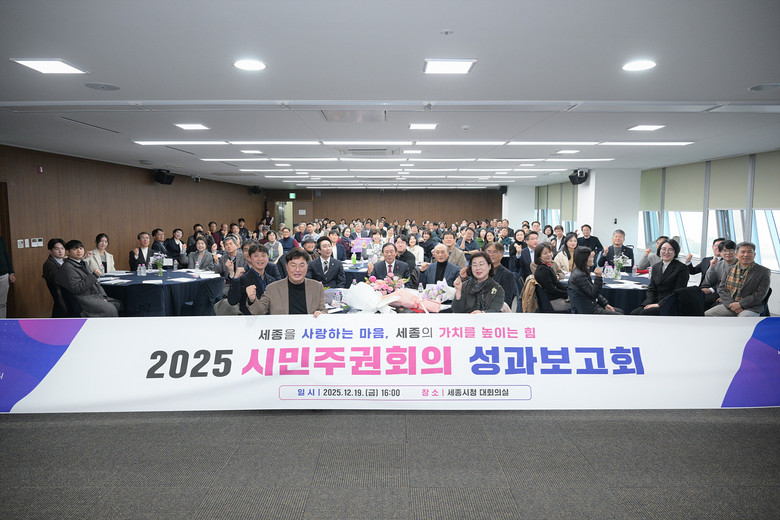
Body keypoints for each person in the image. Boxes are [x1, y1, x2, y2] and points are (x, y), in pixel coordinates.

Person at [248, 247, 326, 316]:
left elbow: (323, 310)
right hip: (282, 327)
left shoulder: (317, 287)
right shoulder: (272, 289)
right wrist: (252, 300)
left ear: (307, 267)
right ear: (286, 267)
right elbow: (259, 312)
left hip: (308, 327)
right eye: (293, 265)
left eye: (302, 265)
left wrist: (322, 314)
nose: (297, 270)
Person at [705, 241, 770, 317]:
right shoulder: (730, 268)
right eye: (743, 252)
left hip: (751, 307)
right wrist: (732, 305)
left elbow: (760, 294)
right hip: (731, 304)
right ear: (736, 255)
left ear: (754, 255)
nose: (746, 255)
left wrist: (740, 304)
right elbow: (721, 289)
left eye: (749, 252)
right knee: (708, 314)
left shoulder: (764, 271)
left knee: (743, 319)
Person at [55, 240, 118, 317]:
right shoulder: (67, 268)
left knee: (120, 302)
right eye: (75, 249)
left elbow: (96, 283)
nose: (79, 251)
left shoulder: (82, 263)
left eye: (81, 248)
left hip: (94, 295)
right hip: (84, 299)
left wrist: (103, 296)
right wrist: (94, 276)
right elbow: (77, 288)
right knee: (111, 309)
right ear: (68, 252)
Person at [631, 239, 690, 315]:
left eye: (670, 250)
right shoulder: (656, 266)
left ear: (675, 252)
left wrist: (659, 304)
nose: (666, 252)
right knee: (634, 313)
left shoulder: (682, 268)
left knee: (644, 313)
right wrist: (648, 303)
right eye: (663, 249)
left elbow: (678, 291)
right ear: (659, 250)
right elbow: (651, 288)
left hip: (670, 303)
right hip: (655, 301)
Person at [567, 247, 623, 314]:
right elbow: (594, 293)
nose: (593, 258)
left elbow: (592, 290)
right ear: (584, 259)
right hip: (587, 308)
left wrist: (605, 304)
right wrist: (598, 277)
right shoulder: (579, 275)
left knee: (620, 311)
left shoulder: (582, 272)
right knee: (619, 315)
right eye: (591, 257)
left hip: (591, 304)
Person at [227, 243, 278, 315]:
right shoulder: (243, 279)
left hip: (270, 319)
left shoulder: (272, 280)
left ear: (268, 258)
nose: (260, 259)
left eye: (263, 255)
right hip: (249, 318)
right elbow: (232, 301)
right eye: (256, 256)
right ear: (249, 258)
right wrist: (235, 280)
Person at [701, 240, 737, 309]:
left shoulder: (740, 265)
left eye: (731, 250)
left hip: (729, 295)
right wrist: (711, 268)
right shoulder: (719, 264)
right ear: (720, 253)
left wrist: (725, 298)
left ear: (735, 252)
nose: (728, 253)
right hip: (719, 292)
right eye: (724, 251)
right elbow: (710, 281)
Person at [533, 243, 569, 311]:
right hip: (552, 302)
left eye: (550, 252)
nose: (549, 255)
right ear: (539, 256)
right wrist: (567, 294)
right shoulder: (542, 270)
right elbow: (552, 290)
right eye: (545, 253)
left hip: (554, 298)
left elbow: (557, 283)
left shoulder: (547, 267)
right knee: (578, 304)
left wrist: (568, 291)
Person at [484, 242, 517, 307]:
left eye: (495, 252)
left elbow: (507, 299)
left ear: (502, 254)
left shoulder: (507, 275)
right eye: (489, 252)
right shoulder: (480, 272)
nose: (491, 254)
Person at [42, 238, 67, 318]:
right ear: (51, 250)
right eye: (57, 249)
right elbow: (59, 279)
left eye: (62, 248)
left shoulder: (63, 260)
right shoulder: (49, 264)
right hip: (62, 295)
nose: (60, 251)